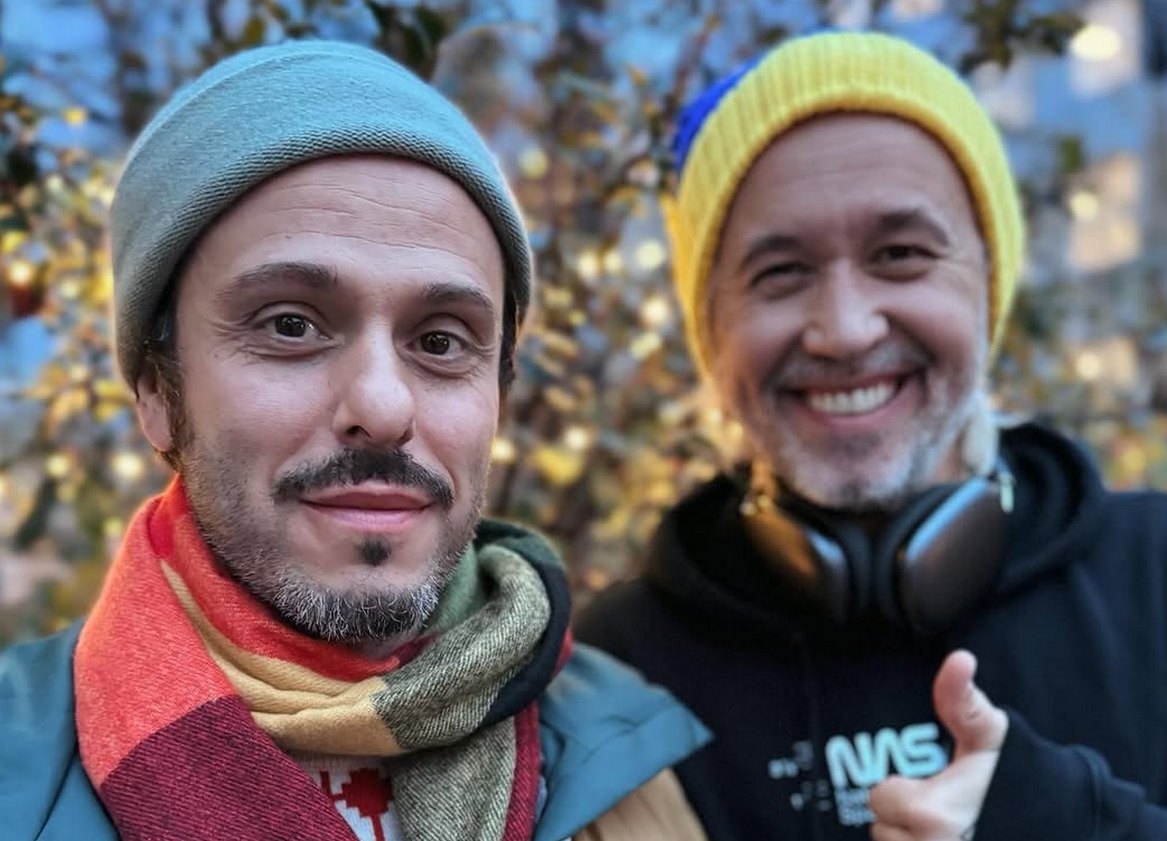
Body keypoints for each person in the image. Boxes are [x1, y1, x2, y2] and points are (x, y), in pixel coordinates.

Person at [0, 40, 710, 841]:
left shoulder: (625, 752)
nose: (382, 405)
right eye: (290, 325)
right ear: (157, 391)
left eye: (440, 341)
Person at [576, 30, 1167, 841]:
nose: (844, 328)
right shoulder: (616, 681)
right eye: (780, 272)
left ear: (989, 283)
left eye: (900, 254)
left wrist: (1065, 822)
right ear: (711, 328)